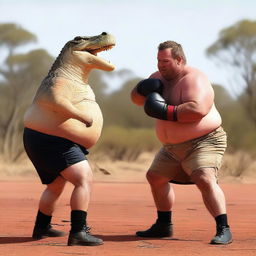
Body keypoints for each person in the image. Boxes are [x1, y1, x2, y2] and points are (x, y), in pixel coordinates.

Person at [130, 40, 232, 244]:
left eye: (165, 61)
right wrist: (140, 89)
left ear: (179, 60)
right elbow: (137, 100)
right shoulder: (156, 78)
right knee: (155, 177)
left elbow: (197, 110)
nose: (160, 65)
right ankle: (163, 225)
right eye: (158, 60)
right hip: (171, 148)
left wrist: (166, 111)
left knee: (204, 177)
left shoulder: (194, 79)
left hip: (204, 141)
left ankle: (224, 229)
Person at [23, 32, 116, 246]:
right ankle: (78, 232)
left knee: (56, 185)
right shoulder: (58, 78)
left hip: (45, 138)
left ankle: (42, 226)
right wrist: (80, 115)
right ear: (70, 51)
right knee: (84, 179)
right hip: (52, 140)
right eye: (85, 40)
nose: (101, 38)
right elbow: (54, 100)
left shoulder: (73, 78)